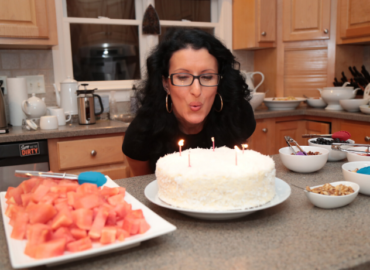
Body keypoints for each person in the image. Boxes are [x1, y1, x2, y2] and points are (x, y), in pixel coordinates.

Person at [122, 28, 256, 176]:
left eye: (207, 77)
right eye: (182, 77)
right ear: (166, 83)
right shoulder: (141, 133)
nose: (196, 90)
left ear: (219, 81)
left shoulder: (238, 114)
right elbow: (142, 190)